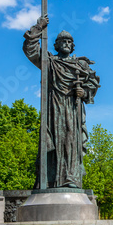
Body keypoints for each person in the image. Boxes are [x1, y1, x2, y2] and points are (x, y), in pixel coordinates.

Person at [23, 16, 100, 189]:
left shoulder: (80, 66)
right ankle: (50, 181)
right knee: (54, 145)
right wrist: (38, 28)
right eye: (62, 41)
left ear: (72, 46)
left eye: (69, 41)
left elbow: (92, 86)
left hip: (73, 109)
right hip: (54, 109)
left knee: (71, 143)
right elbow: (31, 50)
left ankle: (71, 179)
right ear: (56, 45)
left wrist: (84, 92)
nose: (66, 43)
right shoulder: (50, 62)